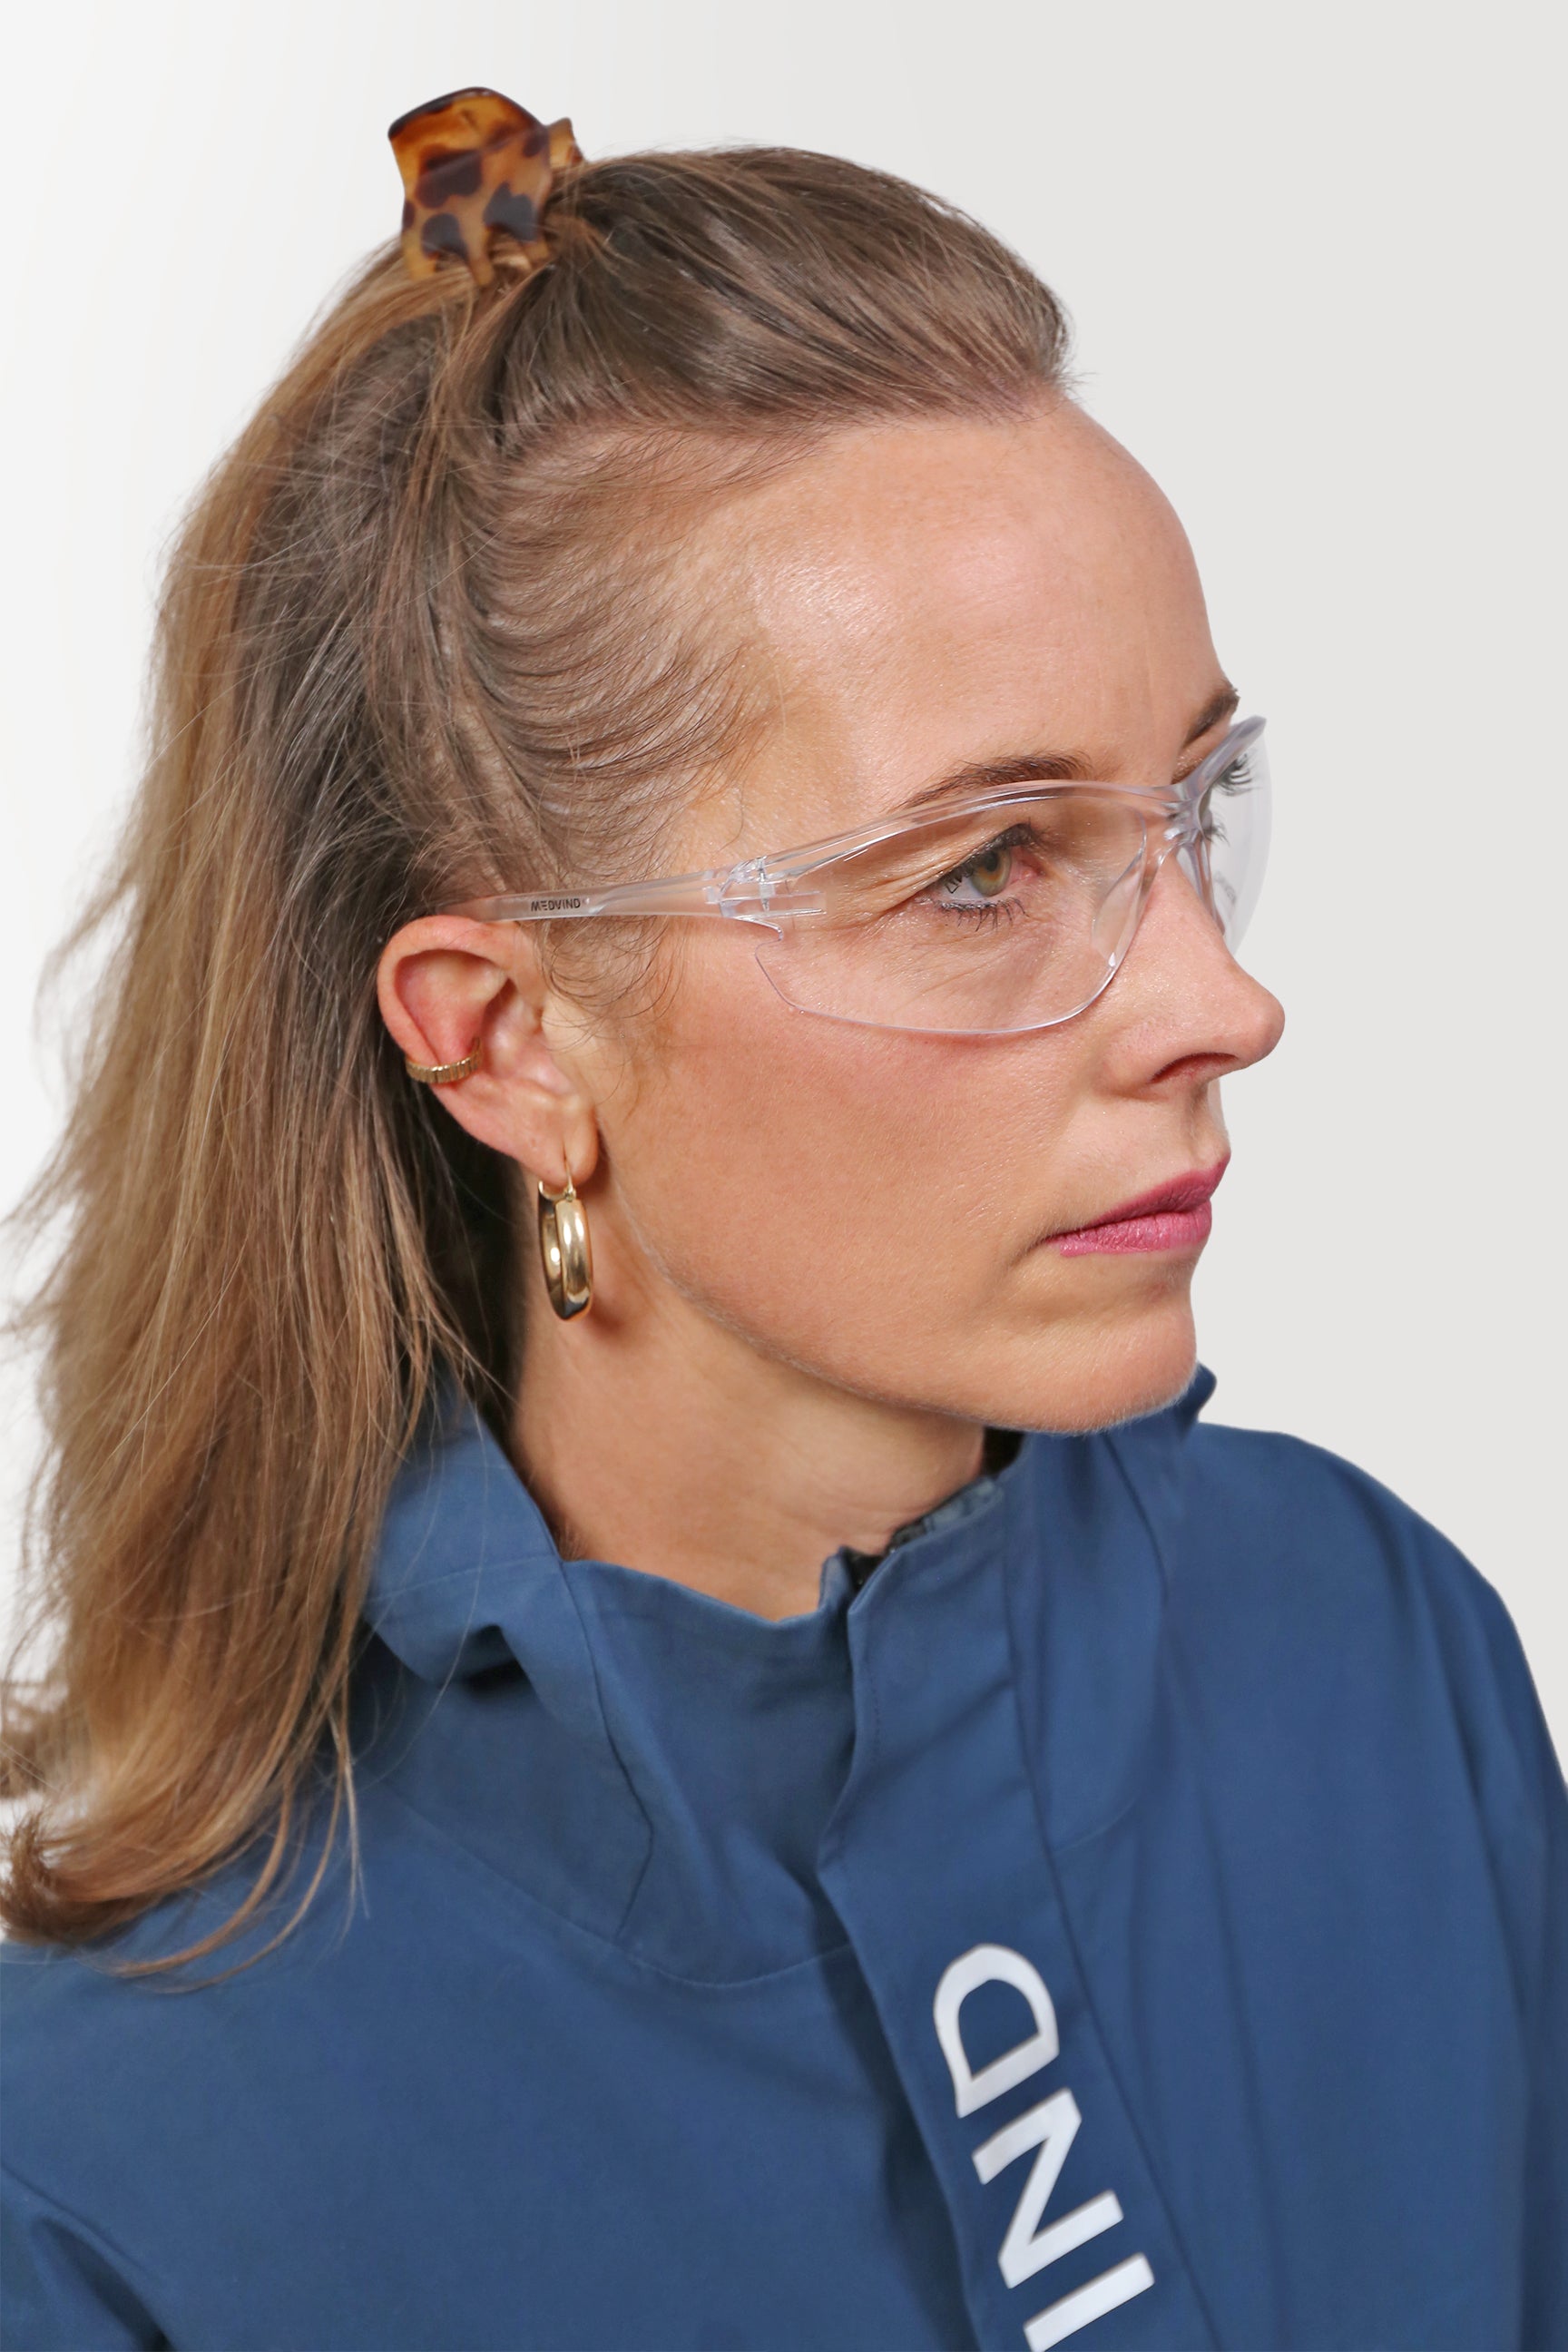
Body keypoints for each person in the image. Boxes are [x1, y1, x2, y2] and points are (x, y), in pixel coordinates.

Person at [1, 84, 1563, 2352]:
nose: (1224, 1004)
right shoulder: (116, 2176)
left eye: (1190, 810)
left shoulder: (1371, 1654)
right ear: (508, 1042)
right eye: (984, 870)